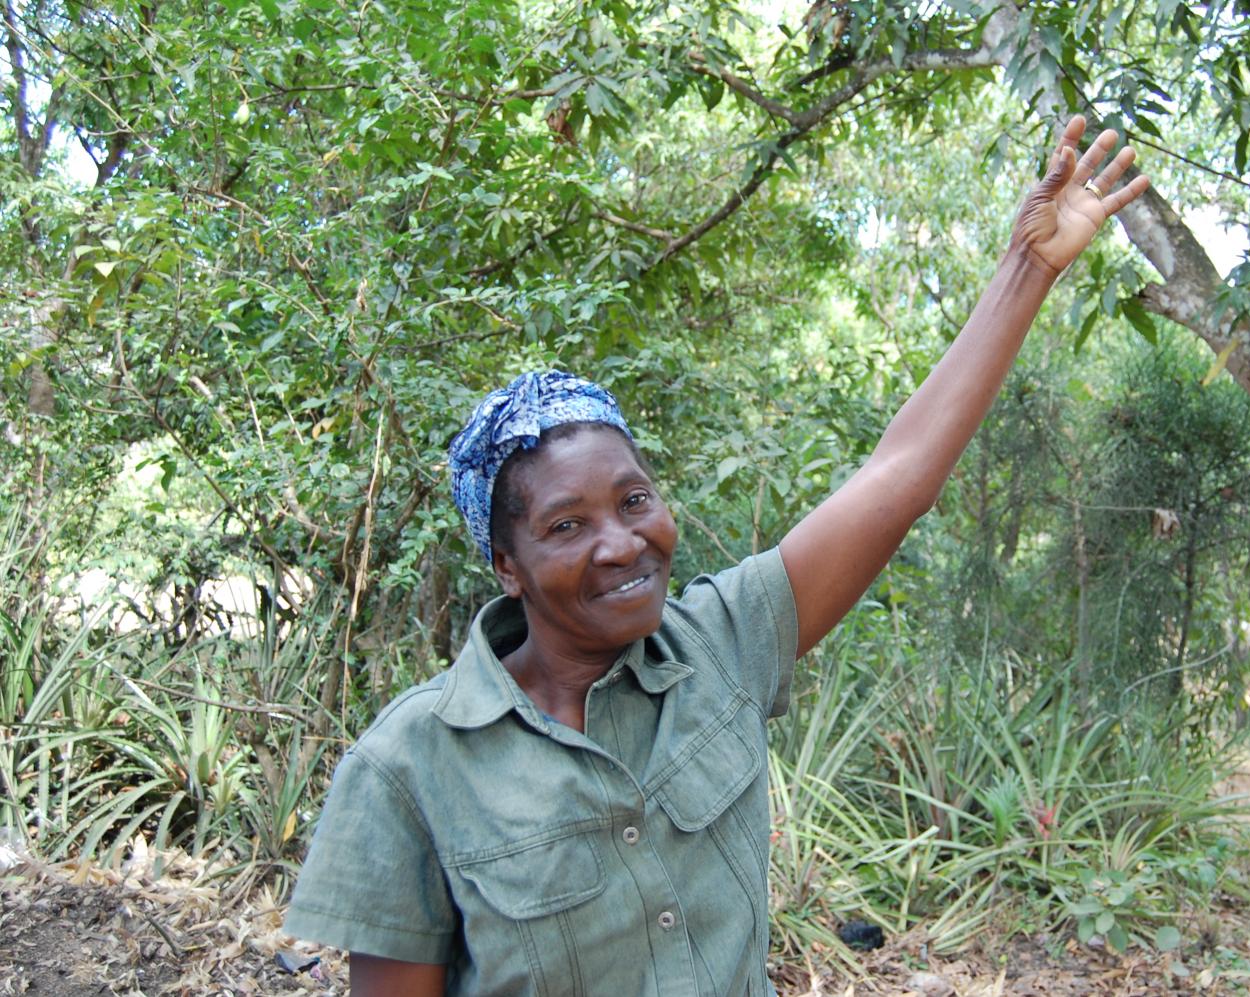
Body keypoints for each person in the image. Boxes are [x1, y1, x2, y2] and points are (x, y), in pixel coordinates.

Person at [284, 115, 1149, 996]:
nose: (622, 542)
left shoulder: (723, 643)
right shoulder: (411, 765)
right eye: (566, 525)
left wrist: (1027, 268)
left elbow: (898, 479)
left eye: (633, 500)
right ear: (506, 565)